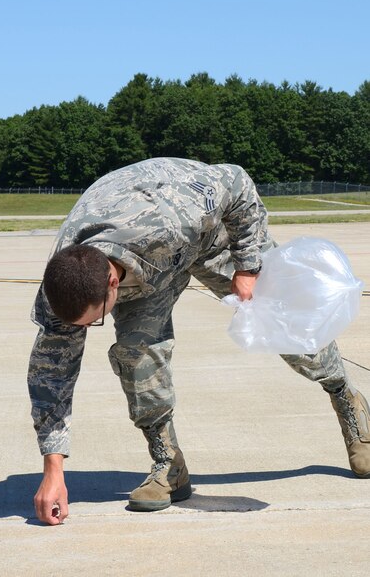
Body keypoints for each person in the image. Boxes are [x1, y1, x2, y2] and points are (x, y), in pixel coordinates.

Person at [28, 157, 370, 525]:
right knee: (136, 356)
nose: (91, 327)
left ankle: (347, 401)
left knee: (284, 325)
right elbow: (52, 376)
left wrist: (248, 266)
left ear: (112, 284)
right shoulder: (64, 281)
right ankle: (169, 466)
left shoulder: (173, 216)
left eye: (95, 320)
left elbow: (237, 183)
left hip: (210, 235)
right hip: (147, 267)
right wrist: (53, 471)